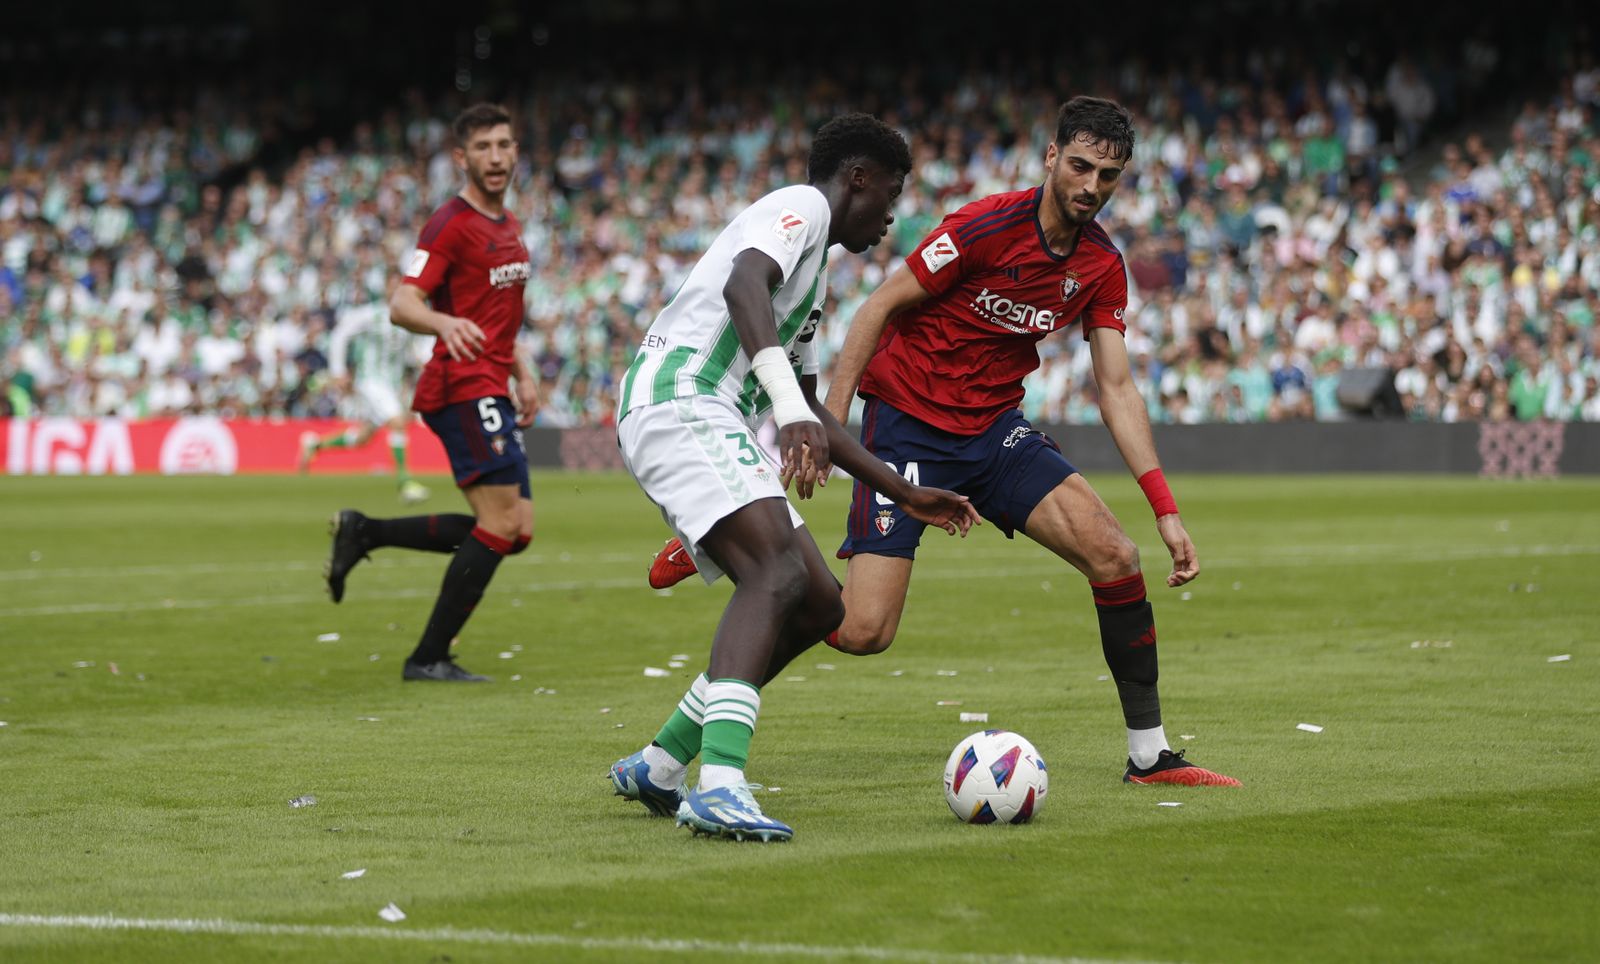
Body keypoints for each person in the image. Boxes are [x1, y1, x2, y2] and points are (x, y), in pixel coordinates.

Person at [650, 97, 1239, 788]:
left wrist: (1164, 508)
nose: (1091, 187)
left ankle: (1150, 757)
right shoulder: (986, 225)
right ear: (1051, 157)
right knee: (860, 628)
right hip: (907, 425)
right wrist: (824, 429)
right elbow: (880, 306)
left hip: (994, 432)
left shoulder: (1102, 265)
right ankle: (730, 548)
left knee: (1114, 556)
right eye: (1080, 166)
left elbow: (1117, 388)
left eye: (1108, 176)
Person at [610, 113, 980, 842]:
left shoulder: (812, 280)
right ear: (857, 178)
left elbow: (810, 405)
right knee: (774, 575)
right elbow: (744, 285)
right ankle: (719, 784)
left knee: (817, 605)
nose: (892, 216)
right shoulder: (802, 208)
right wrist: (786, 410)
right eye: (892, 195)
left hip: (710, 415)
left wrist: (901, 491)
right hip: (682, 398)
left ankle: (659, 764)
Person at [322, 103, 538, 683]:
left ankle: (367, 531)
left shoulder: (509, 224)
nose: (496, 157)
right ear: (461, 158)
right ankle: (427, 658)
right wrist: (444, 324)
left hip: (492, 380)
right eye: (484, 147)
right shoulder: (450, 223)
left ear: (515, 151)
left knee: (516, 530)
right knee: (499, 525)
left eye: (505, 144)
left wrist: (525, 369)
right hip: (460, 385)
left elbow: (500, 316)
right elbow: (402, 302)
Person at [298, 279, 432, 505]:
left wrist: (422, 361)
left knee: (364, 437)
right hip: (370, 381)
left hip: (391, 383)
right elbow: (341, 335)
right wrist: (338, 369)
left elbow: (413, 348)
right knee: (398, 421)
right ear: (385, 289)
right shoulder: (370, 315)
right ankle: (404, 482)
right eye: (392, 285)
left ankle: (315, 445)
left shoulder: (409, 316)